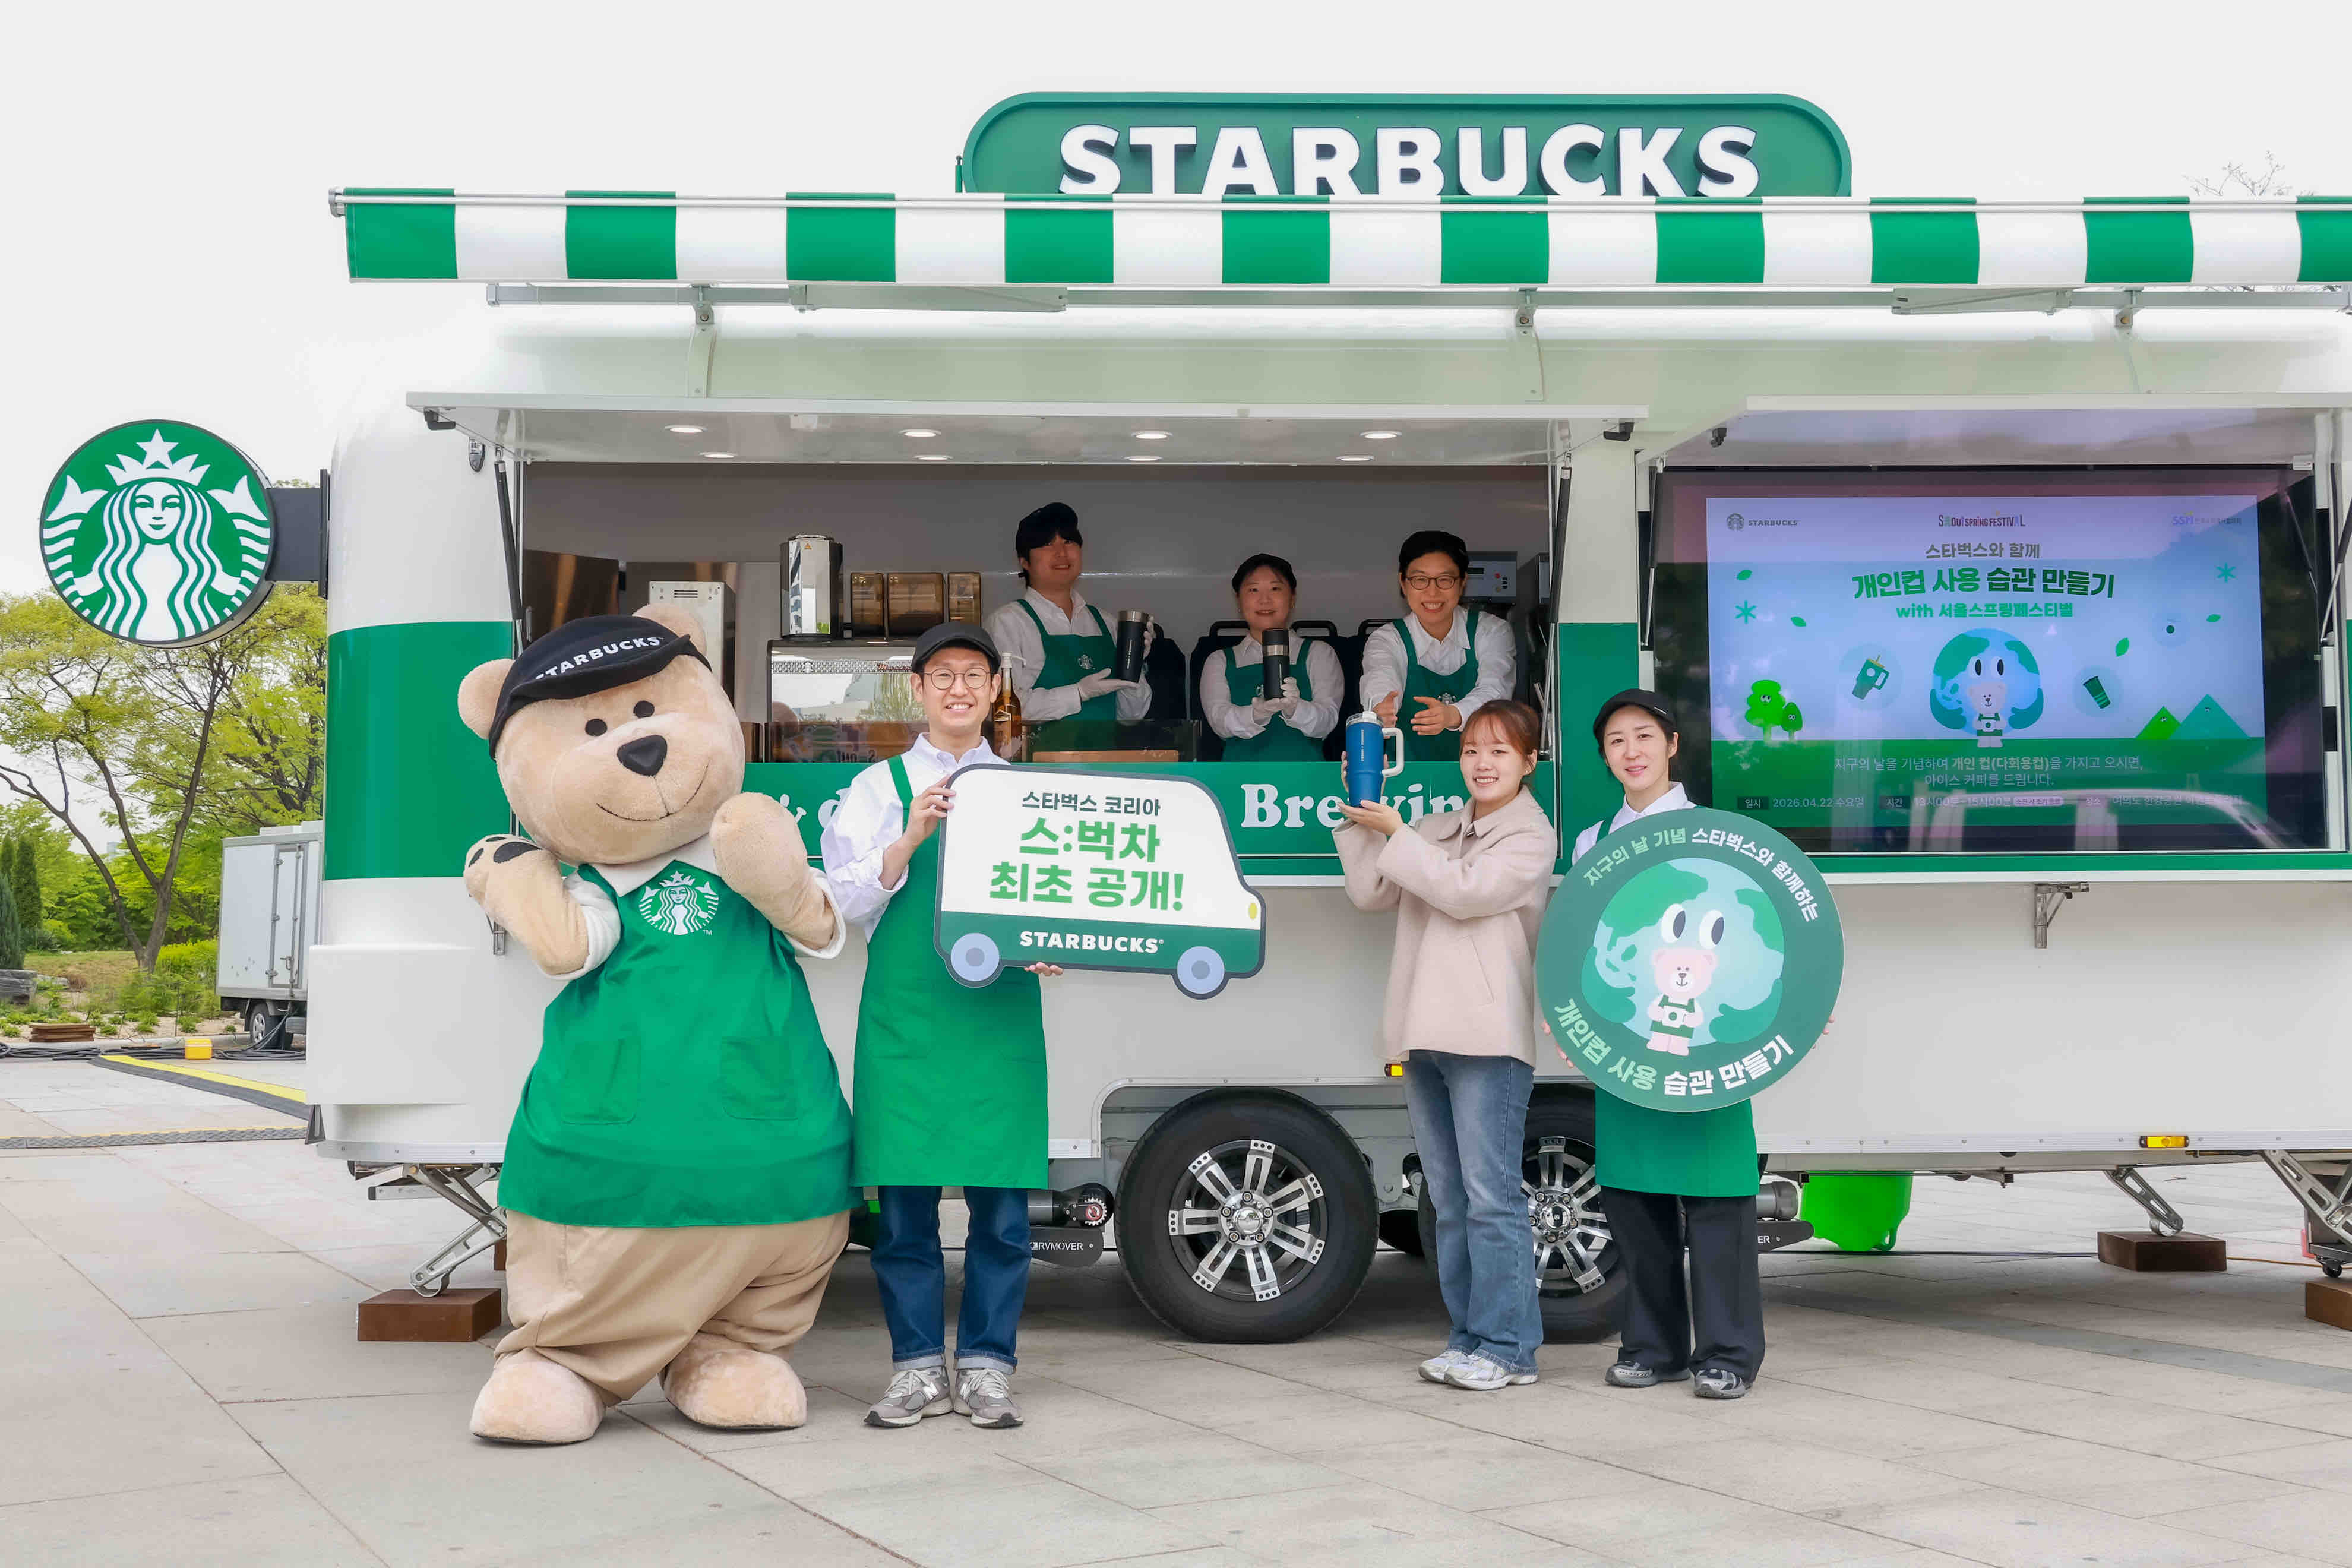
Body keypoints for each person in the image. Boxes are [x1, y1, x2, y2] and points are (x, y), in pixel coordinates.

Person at [819, 623, 1063, 1431]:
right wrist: (908, 839)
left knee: (1003, 1209)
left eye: (974, 676)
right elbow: (842, 902)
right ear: (918, 689)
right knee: (904, 1209)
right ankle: (917, 1368)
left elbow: (1050, 897)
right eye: (943, 676)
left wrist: (1049, 944)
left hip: (998, 1018)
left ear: (994, 691)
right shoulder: (875, 788)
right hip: (908, 1019)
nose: (959, 689)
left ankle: (990, 1367)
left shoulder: (1025, 791)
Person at [1335, 699, 1556, 1391]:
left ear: (1529, 762)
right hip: (1423, 1033)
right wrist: (1362, 814)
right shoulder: (1436, 830)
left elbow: (1463, 892)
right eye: (1472, 751)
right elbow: (1370, 892)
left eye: (1499, 751)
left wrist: (1399, 834)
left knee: (1492, 1199)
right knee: (1452, 1201)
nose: (1483, 764)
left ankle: (1509, 1349)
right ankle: (1469, 1340)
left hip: (1488, 1037)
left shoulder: (1531, 837)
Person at [1568, 690, 1765, 1401]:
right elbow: (1581, 947)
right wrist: (1571, 1017)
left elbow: (1755, 933)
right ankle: (1653, 1349)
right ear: (1604, 755)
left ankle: (1729, 1354)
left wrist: (1787, 1009)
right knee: (1635, 1199)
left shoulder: (1717, 834)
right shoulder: (1591, 843)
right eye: (1617, 740)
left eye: (1645, 736)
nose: (1632, 751)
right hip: (1630, 1042)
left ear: (1673, 745)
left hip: (1708, 1044)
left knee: (1718, 1198)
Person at [986, 501, 1152, 752]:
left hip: (1104, 764)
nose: (1061, 553)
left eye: (1069, 542)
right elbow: (1002, 710)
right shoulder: (1008, 622)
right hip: (1035, 767)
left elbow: (1131, 717)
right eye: (1047, 544)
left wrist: (1134, 665)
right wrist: (1078, 693)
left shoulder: (1106, 622)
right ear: (1024, 562)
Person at [1358, 529, 1515, 763]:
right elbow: (1381, 678)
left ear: (1462, 583)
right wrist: (1382, 708)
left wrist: (1454, 714)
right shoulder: (1387, 639)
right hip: (1406, 777)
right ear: (1403, 583)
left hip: (1482, 773)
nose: (1433, 592)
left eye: (1445, 580)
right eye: (1420, 580)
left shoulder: (1492, 631)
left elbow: (1496, 690)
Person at [1200, 552, 1344, 761]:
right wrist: (1256, 714)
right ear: (1239, 600)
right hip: (1240, 777)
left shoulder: (1319, 653)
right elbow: (1220, 723)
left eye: (1275, 589)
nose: (1265, 600)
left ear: (1292, 598)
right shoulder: (1220, 661)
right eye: (1253, 590)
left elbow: (1327, 722)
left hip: (1305, 777)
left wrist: (1296, 709)